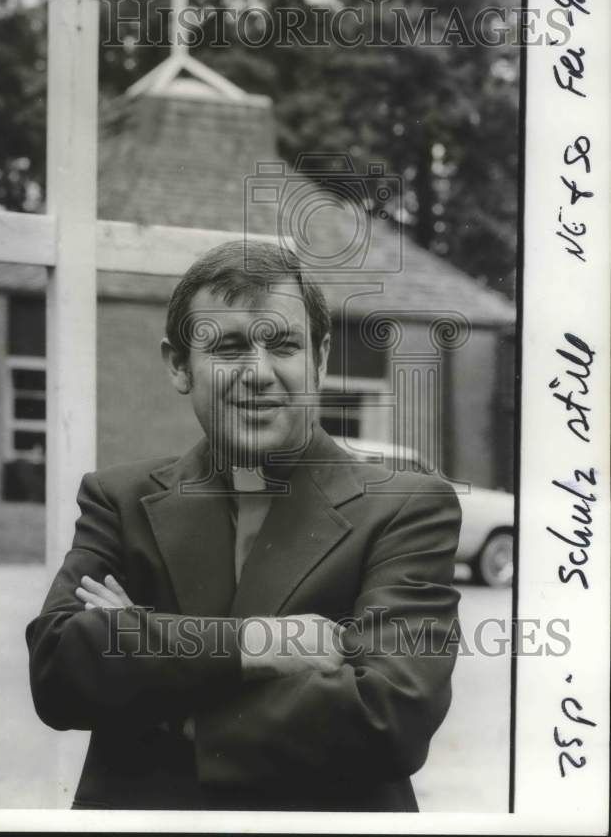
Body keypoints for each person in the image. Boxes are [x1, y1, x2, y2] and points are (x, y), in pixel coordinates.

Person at [26, 240, 462, 812]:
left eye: (283, 345)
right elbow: (60, 672)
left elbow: (390, 715)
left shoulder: (405, 507)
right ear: (179, 366)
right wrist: (262, 645)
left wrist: (160, 683)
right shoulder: (120, 499)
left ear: (321, 358)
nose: (258, 373)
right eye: (227, 347)